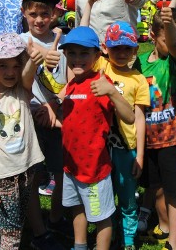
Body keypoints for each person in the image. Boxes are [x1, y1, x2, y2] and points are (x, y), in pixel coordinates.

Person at [58, 26, 135, 250]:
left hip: (94, 169)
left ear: (96, 55)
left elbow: (129, 117)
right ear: (65, 55)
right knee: (77, 207)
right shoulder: (72, 84)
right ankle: (80, 245)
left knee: (101, 217)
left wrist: (111, 92)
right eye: (72, 53)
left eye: (84, 53)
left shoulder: (101, 84)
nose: (77, 59)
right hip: (71, 167)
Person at [0, 33, 45, 249]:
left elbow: (28, 75)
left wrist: (31, 59)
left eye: (15, 65)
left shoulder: (21, 90)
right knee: (10, 232)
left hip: (28, 168)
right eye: (3, 66)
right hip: (4, 175)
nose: (10, 72)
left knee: (17, 225)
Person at [18, 0, 71, 249]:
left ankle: (56, 217)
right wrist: (32, 61)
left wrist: (55, 104)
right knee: (31, 175)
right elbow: (19, 85)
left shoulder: (64, 43)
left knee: (63, 170)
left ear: (54, 14)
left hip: (59, 118)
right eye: (33, 14)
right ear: (24, 13)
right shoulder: (19, 43)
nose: (39, 20)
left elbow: (71, 80)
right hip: (30, 118)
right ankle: (37, 227)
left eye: (45, 14)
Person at [134, 5, 176, 250]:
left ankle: (174, 243)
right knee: (155, 188)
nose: (171, 43)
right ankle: (165, 227)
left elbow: (175, 47)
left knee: (175, 192)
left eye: (175, 38)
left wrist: (169, 25)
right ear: (153, 36)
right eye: (165, 38)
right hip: (147, 141)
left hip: (172, 140)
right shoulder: (140, 63)